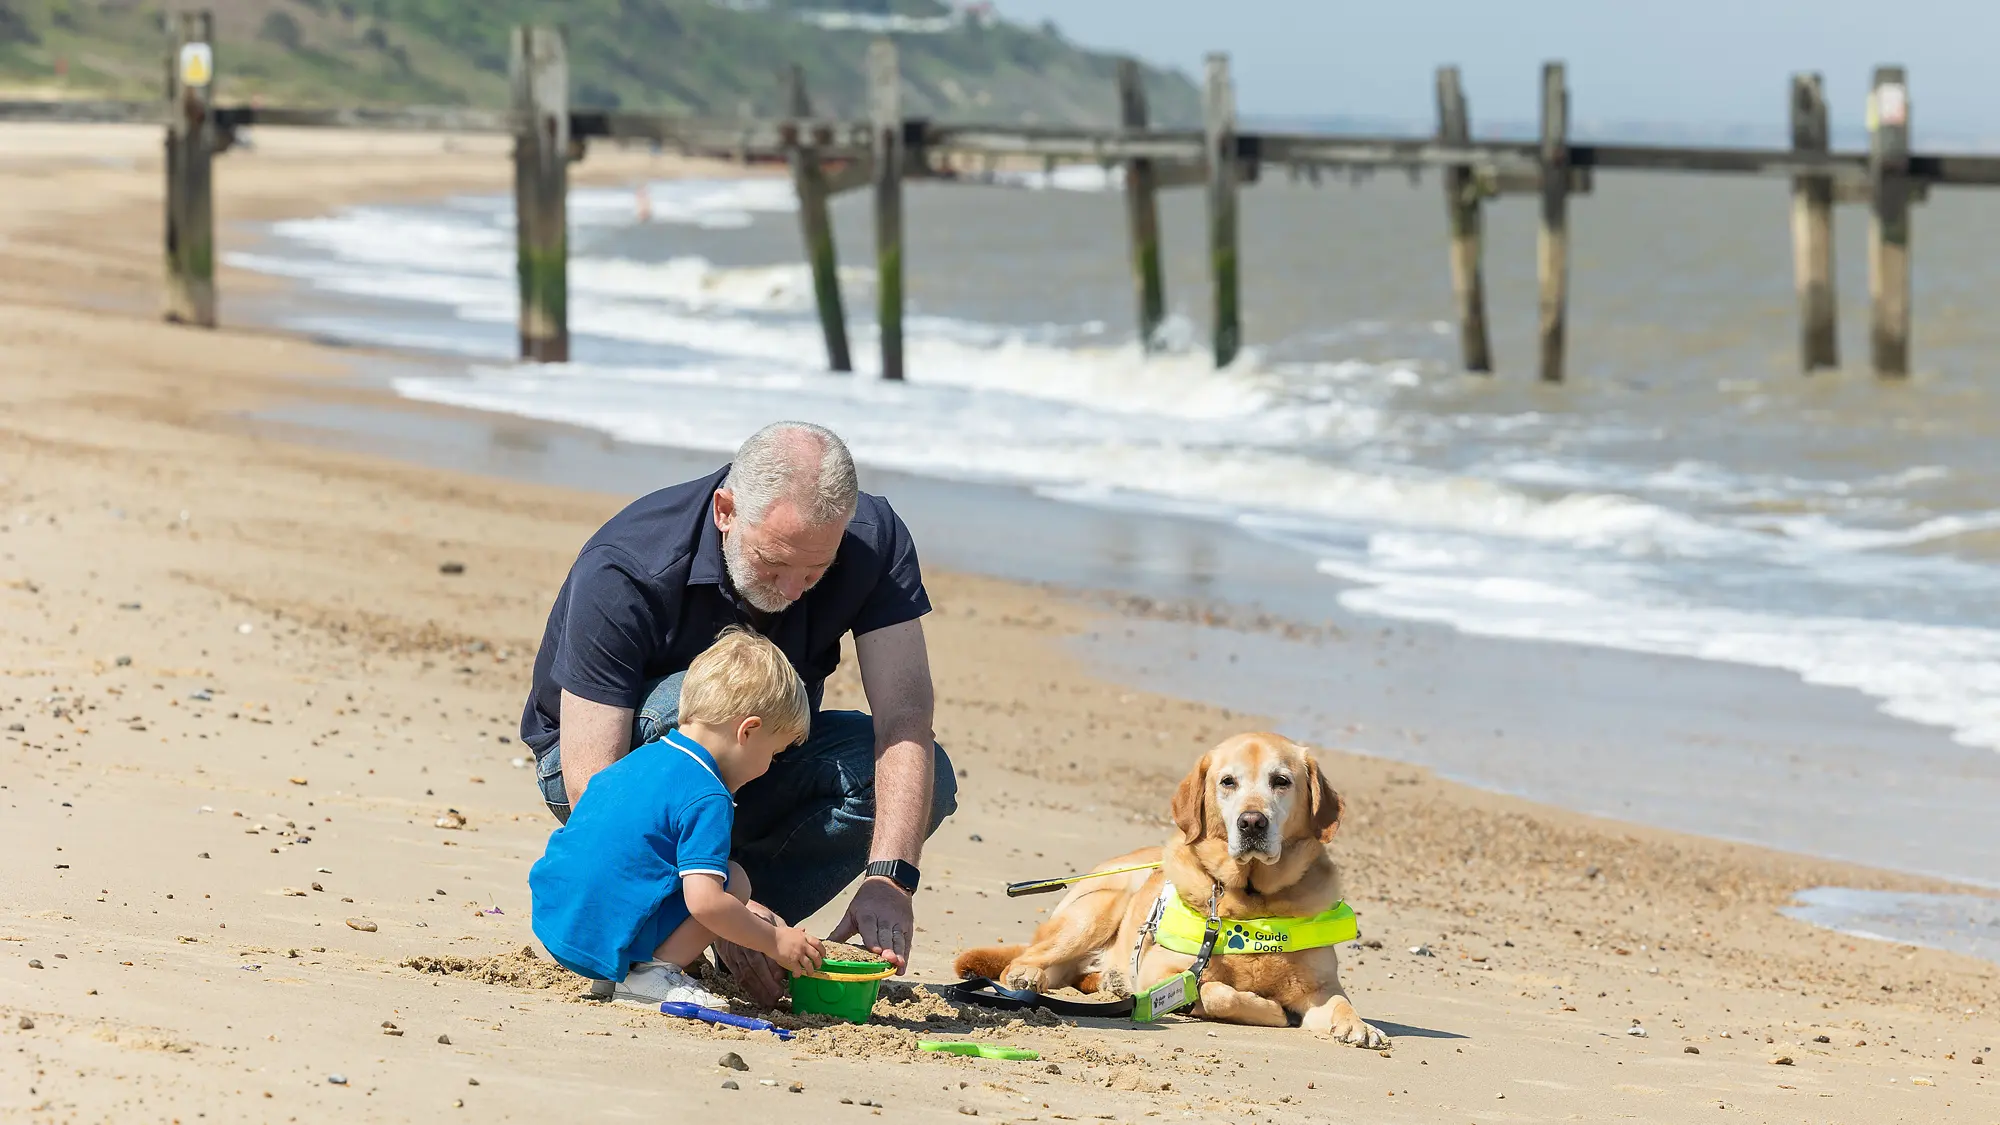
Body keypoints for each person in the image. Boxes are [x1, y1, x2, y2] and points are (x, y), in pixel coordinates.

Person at [519, 421, 956, 1004]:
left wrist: (891, 877)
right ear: (726, 510)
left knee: (929, 777)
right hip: (614, 772)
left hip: (756, 760)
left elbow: (905, 715)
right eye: (774, 563)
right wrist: (721, 899)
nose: (796, 587)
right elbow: (597, 790)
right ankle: (694, 918)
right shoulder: (628, 565)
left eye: (816, 570)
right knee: (696, 707)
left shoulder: (871, 542)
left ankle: (736, 922)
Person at [528, 629, 825, 1007]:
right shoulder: (707, 794)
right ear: (748, 731)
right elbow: (706, 904)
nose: (769, 766)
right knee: (733, 882)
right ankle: (651, 974)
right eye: (774, 752)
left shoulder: (644, 757)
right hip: (600, 931)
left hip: (560, 916)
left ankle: (615, 973)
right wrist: (775, 941)